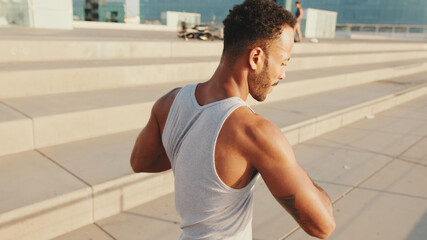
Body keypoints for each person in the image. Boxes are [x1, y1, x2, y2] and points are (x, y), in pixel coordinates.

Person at [130, 0, 335, 239]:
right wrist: (297, 172)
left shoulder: (169, 102)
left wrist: (193, 159)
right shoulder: (255, 132)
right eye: (283, 62)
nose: (283, 74)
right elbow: (323, 226)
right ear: (256, 57)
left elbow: (140, 162)